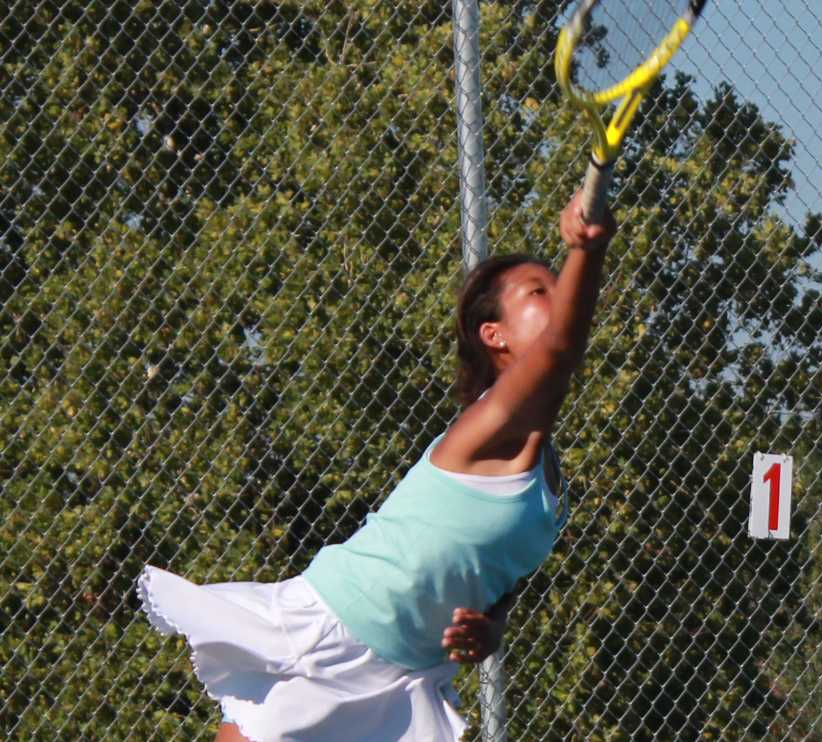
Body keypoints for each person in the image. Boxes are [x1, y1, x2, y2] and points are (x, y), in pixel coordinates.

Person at [136, 192, 613, 741]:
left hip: (405, 677)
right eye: (539, 290)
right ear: (494, 335)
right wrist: (588, 250)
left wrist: (491, 630)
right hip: (339, 631)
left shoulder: (549, 483)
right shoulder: (490, 423)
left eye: (560, 284)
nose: (560, 296)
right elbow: (559, 351)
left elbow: (500, 580)